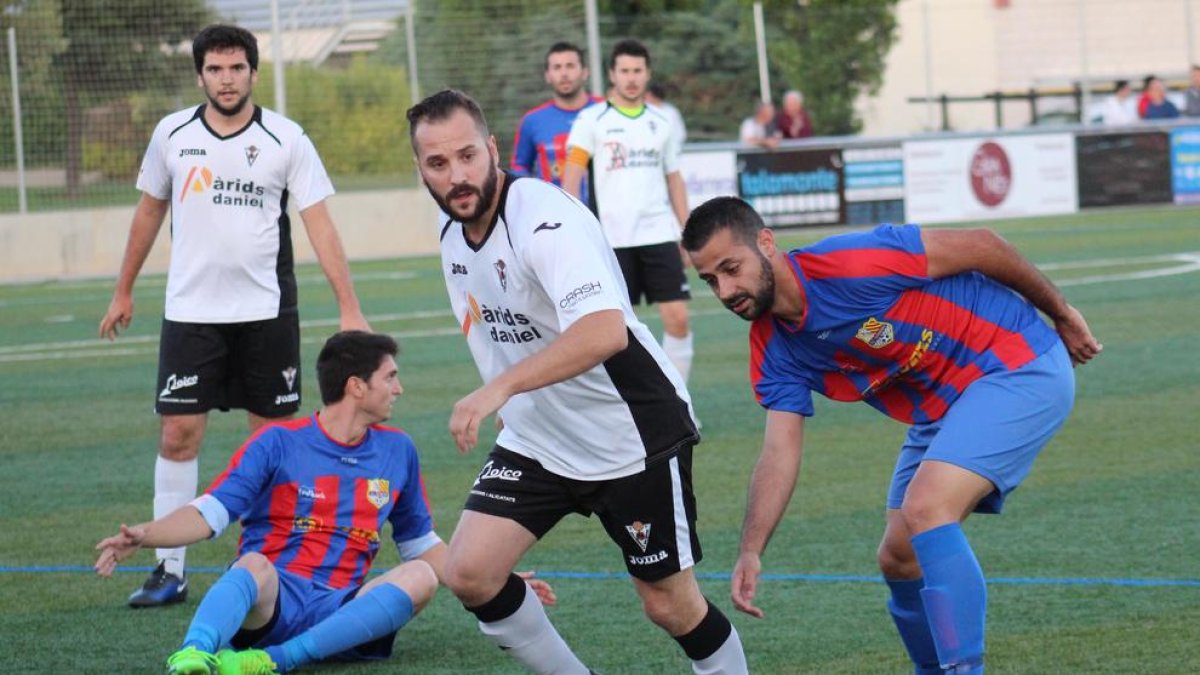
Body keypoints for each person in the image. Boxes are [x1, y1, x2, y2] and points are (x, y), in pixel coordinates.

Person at [682, 197, 1102, 675]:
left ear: (766, 242)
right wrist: (751, 550)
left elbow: (985, 246)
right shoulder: (772, 347)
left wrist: (1063, 313)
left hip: (1013, 361)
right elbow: (779, 451)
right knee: (899, 558)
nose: (725, 290)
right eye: (710, 280)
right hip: (945, 405)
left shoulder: (852, 263)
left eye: (731, 268)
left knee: (926, 508)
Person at [407, 89, 748, 674]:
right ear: (421, 170)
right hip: (540, 437)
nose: (457, 176)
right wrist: (513, 403)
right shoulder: (450, 236)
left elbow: (603, 334)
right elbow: (494, 337)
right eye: (438, 164)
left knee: (669, 605)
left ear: (492, 149)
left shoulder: (545, 217)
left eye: (467, 156)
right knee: (470, 572)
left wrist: (500, 390)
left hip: (630, 433)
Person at [97, 24, 369, 608]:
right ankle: (169, 571)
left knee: (268, 441)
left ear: (252, 71)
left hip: (267, 312)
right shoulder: (171, 134)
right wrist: (123, 290)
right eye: (215, 69)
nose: (226, 79)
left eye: (236, 68)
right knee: (178, 434)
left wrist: (349, 305)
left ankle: (264, 566)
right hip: (191, 311)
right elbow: (148, 214)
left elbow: (319, 222)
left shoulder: (285, 137)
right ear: (200, 75)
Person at [96, 331, 556, 675]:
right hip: (273, 599)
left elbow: (420, 545)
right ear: (357, 386)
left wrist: (492, 580)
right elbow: (211, 512)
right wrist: (146, 534)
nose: (399, 389)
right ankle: (195, 654)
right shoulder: (277, 441)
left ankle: (271, 662)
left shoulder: (398, 450)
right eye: (390, 377)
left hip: (341, 609)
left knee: (418, 577)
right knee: (253, 564)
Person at [562, 39, 696, 387]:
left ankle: (680, 402)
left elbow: (674, 178)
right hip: (611, 241)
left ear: (648, 74)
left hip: (659, 235)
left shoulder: (662, 121)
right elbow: (572, 177)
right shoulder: (592, 120)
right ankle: (630, 409)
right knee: (616, 334)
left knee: (678, 319)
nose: (631, 78)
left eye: (638, 71)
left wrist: (688, 231)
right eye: (624, 71)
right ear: (612, 74)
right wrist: (572, 232)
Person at [510, 42, 603, 204]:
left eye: (570, 66)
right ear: (547, 75)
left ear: (585, 72)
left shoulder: (605, 112)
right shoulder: (532, 121)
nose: (564, 73)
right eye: (557, 67)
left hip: (605, 217)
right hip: (554, 217)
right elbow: (519, 169)